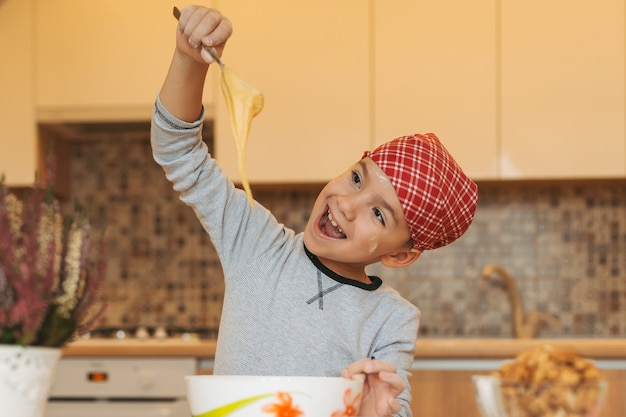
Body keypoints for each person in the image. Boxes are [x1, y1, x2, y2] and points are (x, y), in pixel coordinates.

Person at [151, 5, 478, 417]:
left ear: (399, 255)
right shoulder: (257, 245)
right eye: (358, 179)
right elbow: (179, 153)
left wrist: (376, 412)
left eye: (380, 215)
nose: (347, 204)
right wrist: (187, 59)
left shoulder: (391, 319)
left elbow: (394, 407)